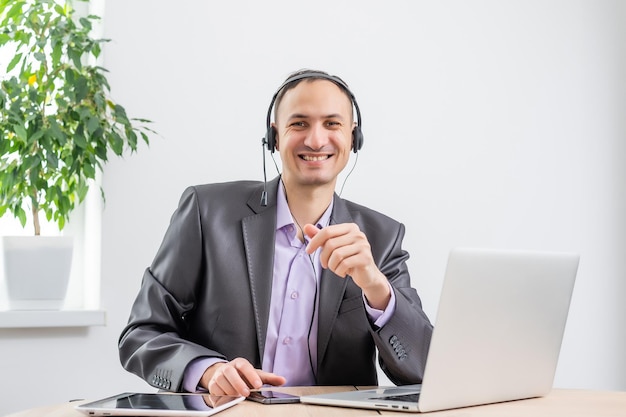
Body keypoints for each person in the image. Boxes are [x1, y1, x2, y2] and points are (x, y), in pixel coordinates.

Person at [118, 69, 433, 397]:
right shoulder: (206, 212)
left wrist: (376, 287)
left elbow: (423, 370)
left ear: (354, 138)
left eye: (332, 123)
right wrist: (207, 370)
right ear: (274, 136)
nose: (315, 140)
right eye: (299, 123)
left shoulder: (381, 238)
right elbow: (142, 333)